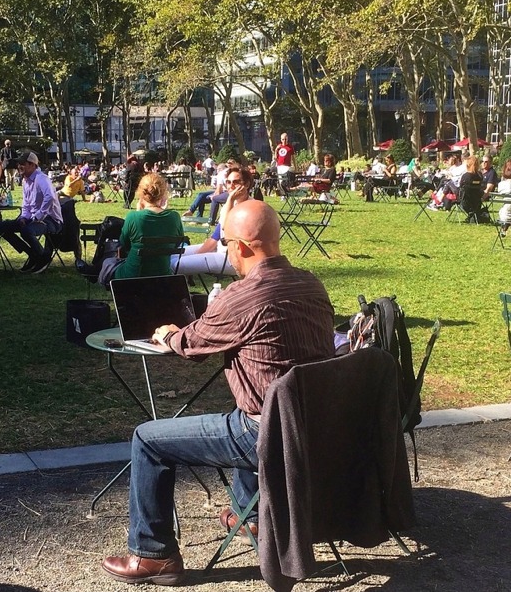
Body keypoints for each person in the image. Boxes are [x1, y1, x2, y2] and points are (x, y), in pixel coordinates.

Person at [100, 200, 335, 585]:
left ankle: (153, 554)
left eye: (226, 243)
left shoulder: (242, 296)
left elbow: (191, 344)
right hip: (318, 425)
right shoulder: (311, 283)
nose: (226, 252)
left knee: (148, 439)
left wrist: (168, 334)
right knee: (246, 404)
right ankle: (253, 517)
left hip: (268, 434)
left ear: (240, 246)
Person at [96, 173, 184, 288]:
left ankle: (96, 277)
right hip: (163, 274)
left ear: (141, 193)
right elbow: (176, 244)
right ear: (163, 193)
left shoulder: (133, 217)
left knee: (108, 262)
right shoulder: (175, 217)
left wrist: (138, 213)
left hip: (133, 274)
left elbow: (124, 244)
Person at [173, 166, 255, 278]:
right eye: (228, 182)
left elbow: (226, 229)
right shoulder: (229, 204)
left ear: (246, 184)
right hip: (219, 249)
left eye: (236, 182)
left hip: (233, 259)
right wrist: (198, 254)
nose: (231, 186)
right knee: (171, 254)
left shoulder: (251, 208)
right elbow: (215, 237)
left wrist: (230, 199)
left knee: (174, 264)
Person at [0, 152, 63, 274]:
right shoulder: (25, 181)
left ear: (32, 165)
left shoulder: (41, 178)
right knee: (2, 227)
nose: (19, 166)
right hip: (32, 218)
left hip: (51, 220)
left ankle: (42, 257)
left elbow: (50, 197)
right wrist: (23, 217)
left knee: (26, 231)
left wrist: (39, 215)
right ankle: (32, 254)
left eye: (22, 164)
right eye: (18, 164)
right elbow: (26, 204)